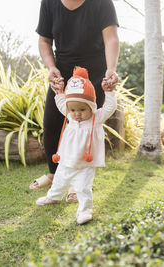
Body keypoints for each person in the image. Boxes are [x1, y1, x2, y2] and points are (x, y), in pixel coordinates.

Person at [29, 0, 120, 203]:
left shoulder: (102, 2)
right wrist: (51, 68)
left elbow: (111, 38)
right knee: (52, 124)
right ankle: (54, 174)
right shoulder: (49, 3)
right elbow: (44, 40)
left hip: (94, 75)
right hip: (62, 74)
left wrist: (111, 70)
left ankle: (77, 184)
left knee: (86, 129)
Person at [36, 66, 117, 225]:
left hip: (86, 164)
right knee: (59, 179)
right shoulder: (71, 117)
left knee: (83, 188)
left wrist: (109, 92)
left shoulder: (96, 118)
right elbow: (61, 104)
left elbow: (110, 107)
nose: (77, 113)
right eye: (72, 109)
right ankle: (53, 196)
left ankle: (84, 211)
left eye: (82, 109)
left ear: (91, 107)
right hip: (67, 159)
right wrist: (59, 92)